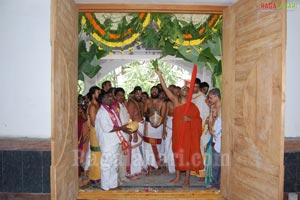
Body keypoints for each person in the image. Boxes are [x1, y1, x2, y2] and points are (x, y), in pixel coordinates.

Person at [155, 67, 204, 187]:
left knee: (187, 155)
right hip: (177, 134)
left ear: (190, 93)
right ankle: (177, 177)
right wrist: (160, 76)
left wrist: (190, 120)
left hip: (187, 135)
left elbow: (199, 121)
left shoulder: (192, 106)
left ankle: (186, 179)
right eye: (182, 88)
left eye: (186, 89)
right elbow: (166, 90)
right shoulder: (175, 101)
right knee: (177, 153)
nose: (183, 89)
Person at [95, 89, 132, 191]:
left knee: (114, 164)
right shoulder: (102, 112)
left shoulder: (111, 110)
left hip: (114, 142)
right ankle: (105, 186)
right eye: (108, 97)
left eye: (111, 96)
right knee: (107, 165)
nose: (111, 98)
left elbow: (118, 124)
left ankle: (112, 184)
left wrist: (125, 129)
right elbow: (107, 128)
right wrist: (122, 128)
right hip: (107, 143)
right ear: (103, 100)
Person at [143, 85, 166, 175]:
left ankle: (156, 167)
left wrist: (158, 124)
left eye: (156, 90)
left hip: (158, 127)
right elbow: (144, 112)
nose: (154, 92)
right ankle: (149, 167)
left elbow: (163, 116)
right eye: (152, 90)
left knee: (158, 147)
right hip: (148, 125)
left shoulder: (163, 103)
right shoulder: (148, 101)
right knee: (147, 147)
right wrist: (151, 117)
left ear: (159, 92)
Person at [127, 86, 147, 178]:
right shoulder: (131, 103)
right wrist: (134, 133)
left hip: (141, 127)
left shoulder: (140, 103)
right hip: (135, 128)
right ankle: (132, 171)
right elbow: (130, 119)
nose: (139, 95)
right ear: (133, 94)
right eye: (137, 93)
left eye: (140, 93)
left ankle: (138, 169)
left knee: (139, 150)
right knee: (134, 150)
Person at [191, 78, 209, 180]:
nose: (195, 88)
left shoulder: (202, 98)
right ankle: (195, 169)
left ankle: (203, 172)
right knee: (195, 149)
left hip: (201, 127)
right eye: (193, 86)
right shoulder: (190, 97)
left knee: (201, 149)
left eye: (197, 86)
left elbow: (205, 114)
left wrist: (203, 128)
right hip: (192, 128)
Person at [85, 86, 101, 188]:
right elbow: (94, 123)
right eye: (97, 92)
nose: (99, 94)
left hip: (100, 131)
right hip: (95, 132)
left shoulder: (97, 104)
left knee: (100, 153)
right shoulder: (92, 107)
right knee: (96, 153)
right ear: (92, 94)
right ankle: (94, 177)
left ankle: (100, 175)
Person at [206, 88, 222, 190]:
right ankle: (215, 183)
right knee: (215, 162)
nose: (209, 99)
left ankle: (218, 184)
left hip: (221, 136)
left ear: (216, 97)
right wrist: (210, 129)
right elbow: (210, 120)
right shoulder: (213, 107)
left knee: (219, 163)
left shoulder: (223, 108)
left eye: (211, 97)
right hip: (215, 136)